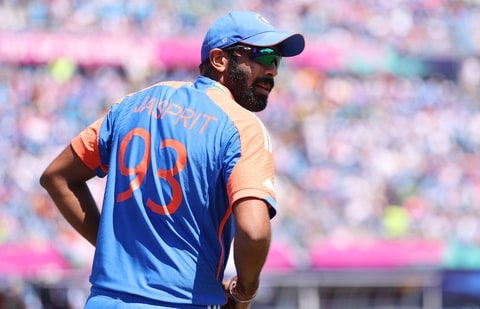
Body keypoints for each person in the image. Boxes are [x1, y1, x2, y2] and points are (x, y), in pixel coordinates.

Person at [39, 10, 305, 309]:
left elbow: (57, 177)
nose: (272, 70)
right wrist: (244, 292)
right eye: (263, 56)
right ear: (219, 60)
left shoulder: (134, 104)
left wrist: (109, 248)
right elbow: (254, 232)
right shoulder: (242, 126)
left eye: (276, 60)